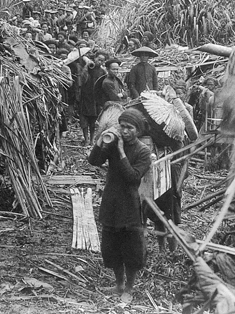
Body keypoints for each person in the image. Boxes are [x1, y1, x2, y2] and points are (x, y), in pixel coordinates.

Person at [88, 109, 152, 302]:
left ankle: (129, 289)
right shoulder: (113, 142)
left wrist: (122, 152)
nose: (125, 131)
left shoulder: (143, 151)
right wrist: (100, 142)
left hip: (130, 203)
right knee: (112, 245)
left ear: (138, 130)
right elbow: (94, 161)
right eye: (122, 126)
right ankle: (118, 285)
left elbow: (133, 178)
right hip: (112, 200)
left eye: (129, 128)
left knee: (131, 248)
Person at [77, 52, 107, 146]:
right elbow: (82, 80)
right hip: (85, 97)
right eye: (98, 59)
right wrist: (86, 66)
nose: (100, 61)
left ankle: (92, 140)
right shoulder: (88, 68)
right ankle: (86, 139)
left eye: (102, 60)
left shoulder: (103, 72)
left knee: (93, 121)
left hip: (96, 99)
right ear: (95, 58)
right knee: (84, 120)